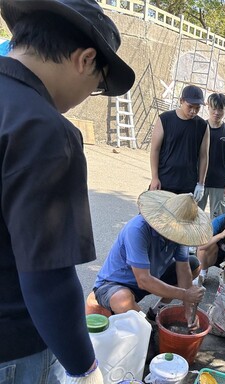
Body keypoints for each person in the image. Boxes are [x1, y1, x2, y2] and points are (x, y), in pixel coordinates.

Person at [0, 0, 135, 382]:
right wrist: (85, 368)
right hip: (14, 347)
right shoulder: (44, 130)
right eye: (96, 87)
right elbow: (48, 277)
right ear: (86, 59)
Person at [91, 191, 210, 323]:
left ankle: (157, 311)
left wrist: (188, 308)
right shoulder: (137, 229)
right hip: (116, 284)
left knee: (193, 264)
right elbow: (143, 280)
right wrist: (185, 294)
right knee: (122, 299)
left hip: (152, 277)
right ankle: (146, 324)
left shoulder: (179, 234)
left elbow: (183, 269)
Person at [149, 84, 209, 203]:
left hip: (187, 184)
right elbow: (155, 150)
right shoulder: (165, 119)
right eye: (190, 106)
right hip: (164, 180)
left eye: (197, 108)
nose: (193, 111)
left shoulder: (202, 126)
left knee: (181, 221)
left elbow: (204, 156)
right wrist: (154, 177)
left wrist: (201, 184)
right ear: (181, 101)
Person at [198, 93, 225, 218]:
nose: (216, 112)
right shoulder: (199, 127)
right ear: (208, 107)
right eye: (213, 108)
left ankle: (217, 238)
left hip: (219, 182)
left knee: (219, 218)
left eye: (220, 109)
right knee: (194, 216)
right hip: (199, 180)